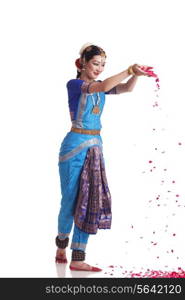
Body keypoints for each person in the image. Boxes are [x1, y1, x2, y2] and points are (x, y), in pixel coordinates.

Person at [55, 42, 151, 272]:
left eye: (103, 65)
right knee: (70, 201)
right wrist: (128, 69)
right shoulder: (76, 85)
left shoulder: (100, 86)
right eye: (95, 63)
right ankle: (61, 245)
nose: (99, 68)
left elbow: (126, 88)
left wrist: (135, 75)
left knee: (88, 201)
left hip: (95, 146)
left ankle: (78, 258)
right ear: (82, 63)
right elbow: (105, 85)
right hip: (74, 148)